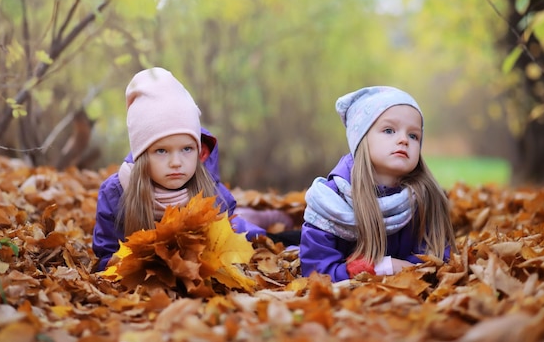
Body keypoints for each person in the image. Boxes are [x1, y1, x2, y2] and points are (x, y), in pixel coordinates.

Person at [92, 67, 265, 272]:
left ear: (198, 150)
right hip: (149, 287)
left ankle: (278, 223)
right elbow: (107, 256)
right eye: (162, 151)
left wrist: (264, 242)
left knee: (258, 227)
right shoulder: (116, 194)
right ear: (141, 155)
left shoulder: (213, 194)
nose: (176, 162)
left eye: (187, 149)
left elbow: (230, 243)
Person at [300, 86, 456, 282]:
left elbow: (438, 257)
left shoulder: (423, 197)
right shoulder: (330, 202)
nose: (403, 140)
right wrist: (382, 267)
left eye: (413, 135)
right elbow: (316, 273)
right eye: (389, 130)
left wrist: (407, 269)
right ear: (361, 138)